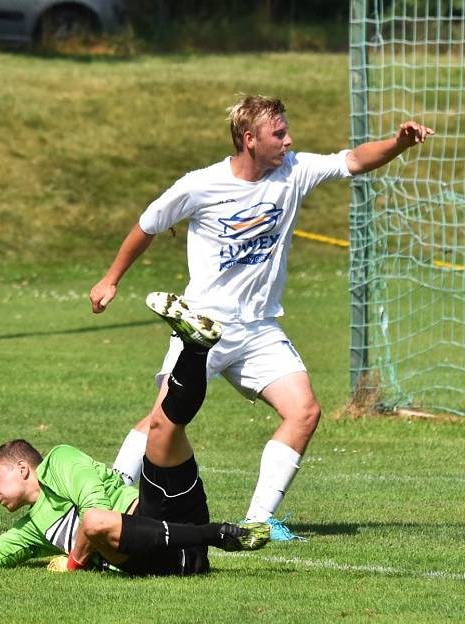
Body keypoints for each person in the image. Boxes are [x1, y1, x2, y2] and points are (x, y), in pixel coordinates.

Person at [89, 95, 434, 540]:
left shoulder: (293, 171)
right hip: (203, 330)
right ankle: (108, 498)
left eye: (287, 131)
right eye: (279, 134)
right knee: (163, 422)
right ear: (249, 139)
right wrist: (111, 279)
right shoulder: (201, 185)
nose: (289, 140)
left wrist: (398, 143)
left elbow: (352, 160)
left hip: (258, 330)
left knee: (304, 411)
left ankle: (259, 521)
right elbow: (148, 225)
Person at [0, 303, 270, 575]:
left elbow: (93, 508)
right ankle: (224, 535)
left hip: (165, 512)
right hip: (166, 557)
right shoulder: (34, 526)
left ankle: (196, 349)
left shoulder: (61, 460)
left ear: (23, 468)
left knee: (162, 427)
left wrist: (73, 563)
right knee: (95, 522)